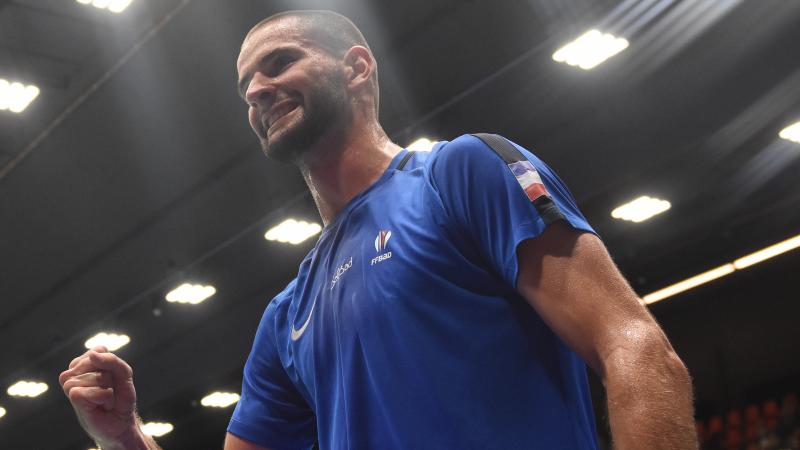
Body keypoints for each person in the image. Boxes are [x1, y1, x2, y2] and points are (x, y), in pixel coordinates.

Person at [59, 9, 698, 450]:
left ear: (357, 67)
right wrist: (122, 436)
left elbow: (635, 348)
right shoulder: (288, 315)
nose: (257, 90)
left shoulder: (461, 172)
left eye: (279, 63)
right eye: (246, 86)